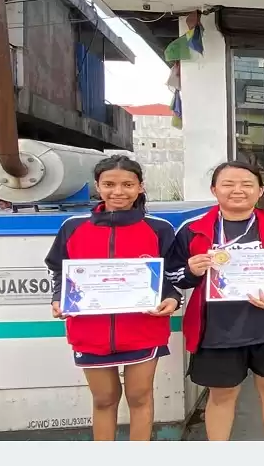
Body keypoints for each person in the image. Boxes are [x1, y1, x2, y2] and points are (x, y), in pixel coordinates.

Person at [165, 161, 264, 441]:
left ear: (260, 191)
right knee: (222, 394)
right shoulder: (192, 229)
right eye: (228, 184)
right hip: (217, 329)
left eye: (246, 184)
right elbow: (174, 276)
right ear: (214, 190)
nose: (237, 190)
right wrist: (191, 271)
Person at [43, 155, 182, 441]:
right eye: (109, 184)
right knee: (104, 399)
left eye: (127, 185)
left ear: (140, 187)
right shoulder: (73, 227)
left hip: (144, 327)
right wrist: (59, 297)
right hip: (89, 329)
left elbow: (171, 275)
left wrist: (172, 298)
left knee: (140, 397)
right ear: (98, 186)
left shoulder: (159, 228)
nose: (118, 192)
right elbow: (58, 268)